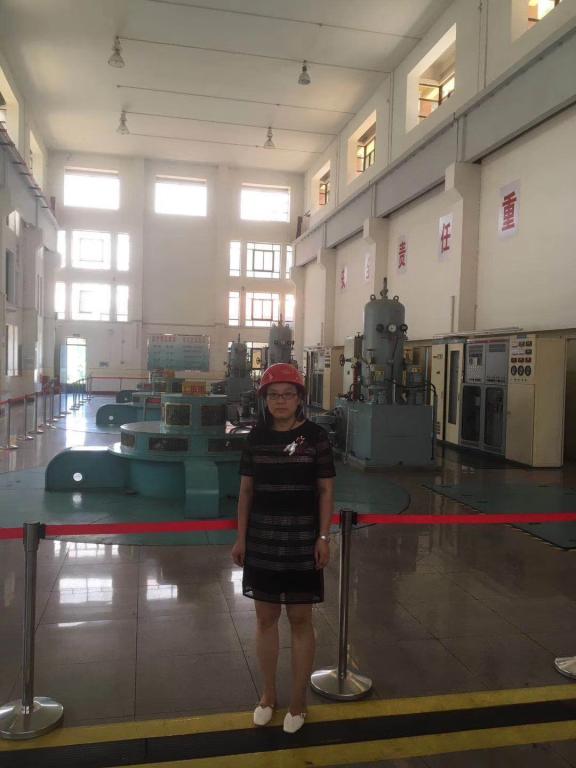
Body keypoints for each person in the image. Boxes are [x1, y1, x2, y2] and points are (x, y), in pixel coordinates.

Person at [231, 363, 335, 734]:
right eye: (273, 395)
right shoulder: (255, 438)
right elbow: (246, 492)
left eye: (288, 394)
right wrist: (241, 537)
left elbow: (325, 491)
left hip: (302, 541)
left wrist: (323, 537)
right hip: (262, 540)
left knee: (301, 620)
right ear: (264, 399)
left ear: (300, 398)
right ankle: (268, 695)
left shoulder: (316, 438)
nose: (280, 401)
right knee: (265, 619)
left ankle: (298, 700)